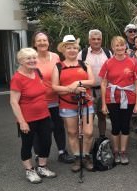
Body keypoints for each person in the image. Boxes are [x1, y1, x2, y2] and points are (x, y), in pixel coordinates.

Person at [10, 48, 57, 184]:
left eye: (34, 58)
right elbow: (13, 102)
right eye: (28, 58)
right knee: (27, 145)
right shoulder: (17, 78)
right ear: (21, 61)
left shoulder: (37, 72)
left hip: (44, 115)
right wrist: (22, 122)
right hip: (27, 118)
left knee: (46, 142)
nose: (32, 61)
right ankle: (29, 170)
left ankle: (42, 167)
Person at [52, 35, 95, 172]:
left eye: (74, 48)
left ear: (78, 50)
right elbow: (55, 87)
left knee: (88, 132)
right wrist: (71, 89)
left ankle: (86, 155)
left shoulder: (84, 64)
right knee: (72, 132)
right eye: (69, 48)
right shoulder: (58, 66)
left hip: (86, 103)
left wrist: (78, 83)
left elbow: (92, 82)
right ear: (63, 51)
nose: (72, 50)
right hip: (67, 104)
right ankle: (78, 157)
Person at [32, 32, 74, 163]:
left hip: (56, 100)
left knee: (58, 127)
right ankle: (39, 155)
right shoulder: (31, 58)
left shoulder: (55, 57)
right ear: (34, 43)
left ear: (48, 42)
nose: (42, 43)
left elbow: (62, 74)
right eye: (39, 41)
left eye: (44, 40)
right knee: (40, 129)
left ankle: (62, 152)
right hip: (39, 101)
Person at [100, 36, 137, 165]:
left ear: (126, 47)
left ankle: (123, 151)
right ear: (112, 48)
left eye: (122, 45)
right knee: (115, 126)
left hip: (128, 98)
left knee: (125, 126)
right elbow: (103, 83)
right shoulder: (108, 63)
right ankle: (116, 151)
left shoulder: (132, 62)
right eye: (116, 46)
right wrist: (103, 103)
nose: (119, 48)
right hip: (112, 98)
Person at [77, 29, 111, 139]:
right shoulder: (82, 54)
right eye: (93, 39)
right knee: (88, 117)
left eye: (98, 39)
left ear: (102, 40)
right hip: (88, 91)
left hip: (103, 90)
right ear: (89, 40)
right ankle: (87, 141)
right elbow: (76, 71)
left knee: (102, 116)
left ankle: (102, 138)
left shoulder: (107, 53)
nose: (96, 41)